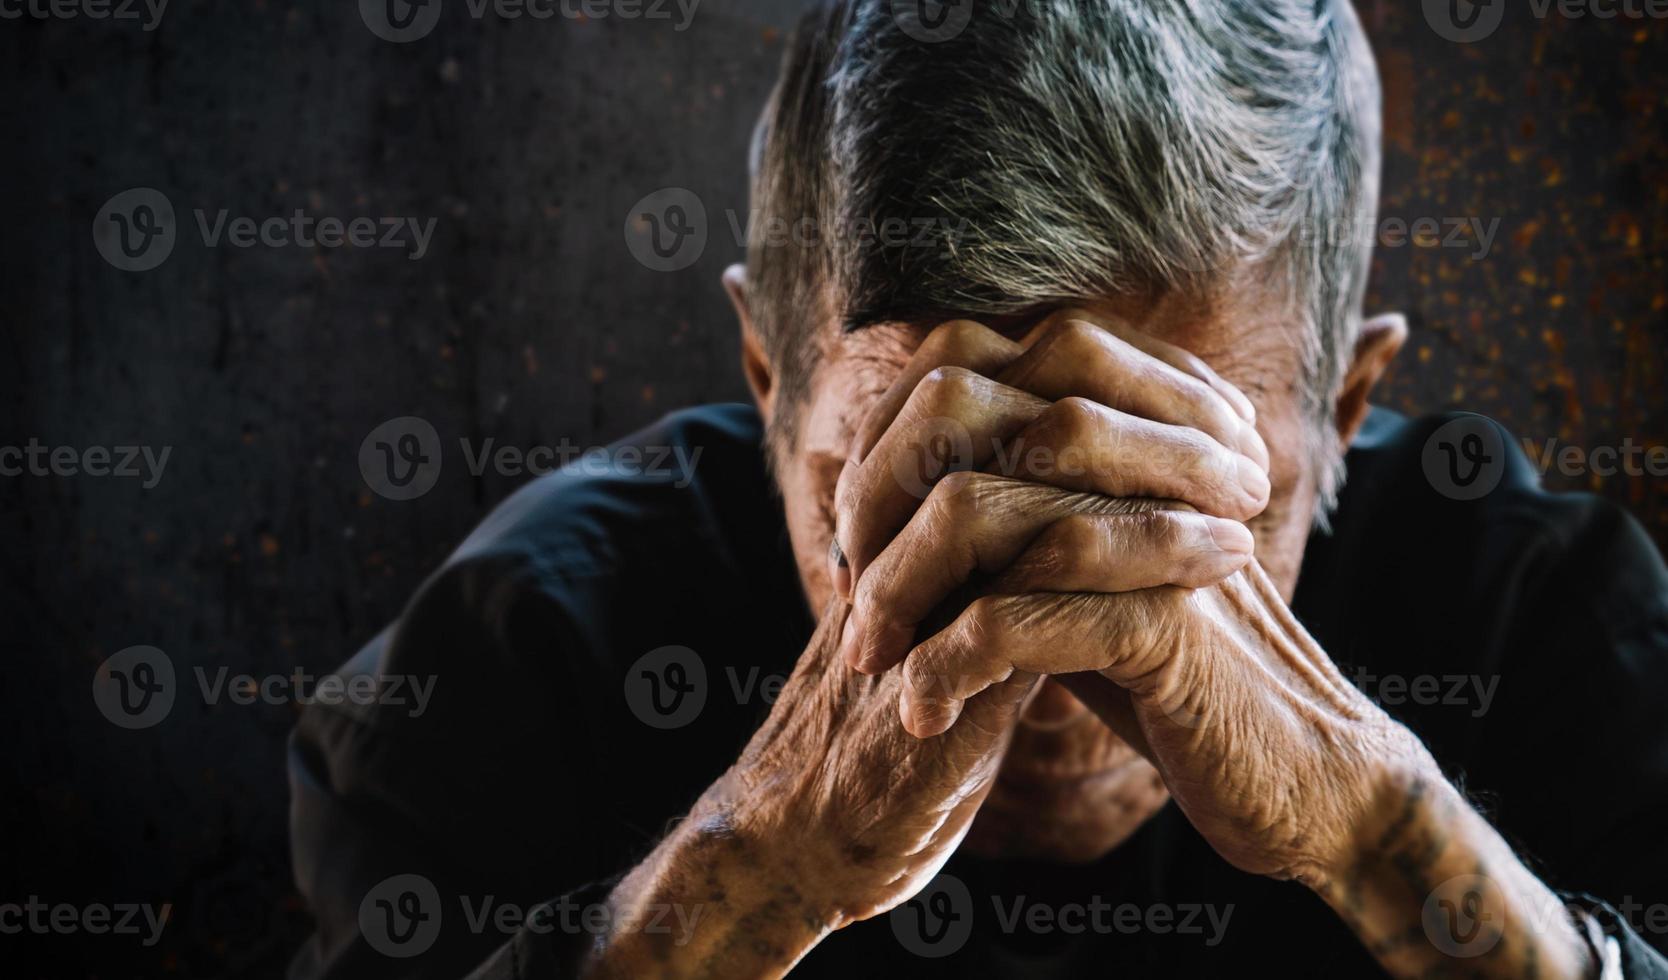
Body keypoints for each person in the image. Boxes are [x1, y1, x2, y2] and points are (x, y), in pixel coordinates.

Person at [287, 1, 1668, 976]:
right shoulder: (523, 661)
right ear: (770, 382)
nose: (1044, 645)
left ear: (1348, 411)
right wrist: (744, 888)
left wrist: (1381, 834)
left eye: (1158, 486)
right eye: (904, 494)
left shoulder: (1559, 637)